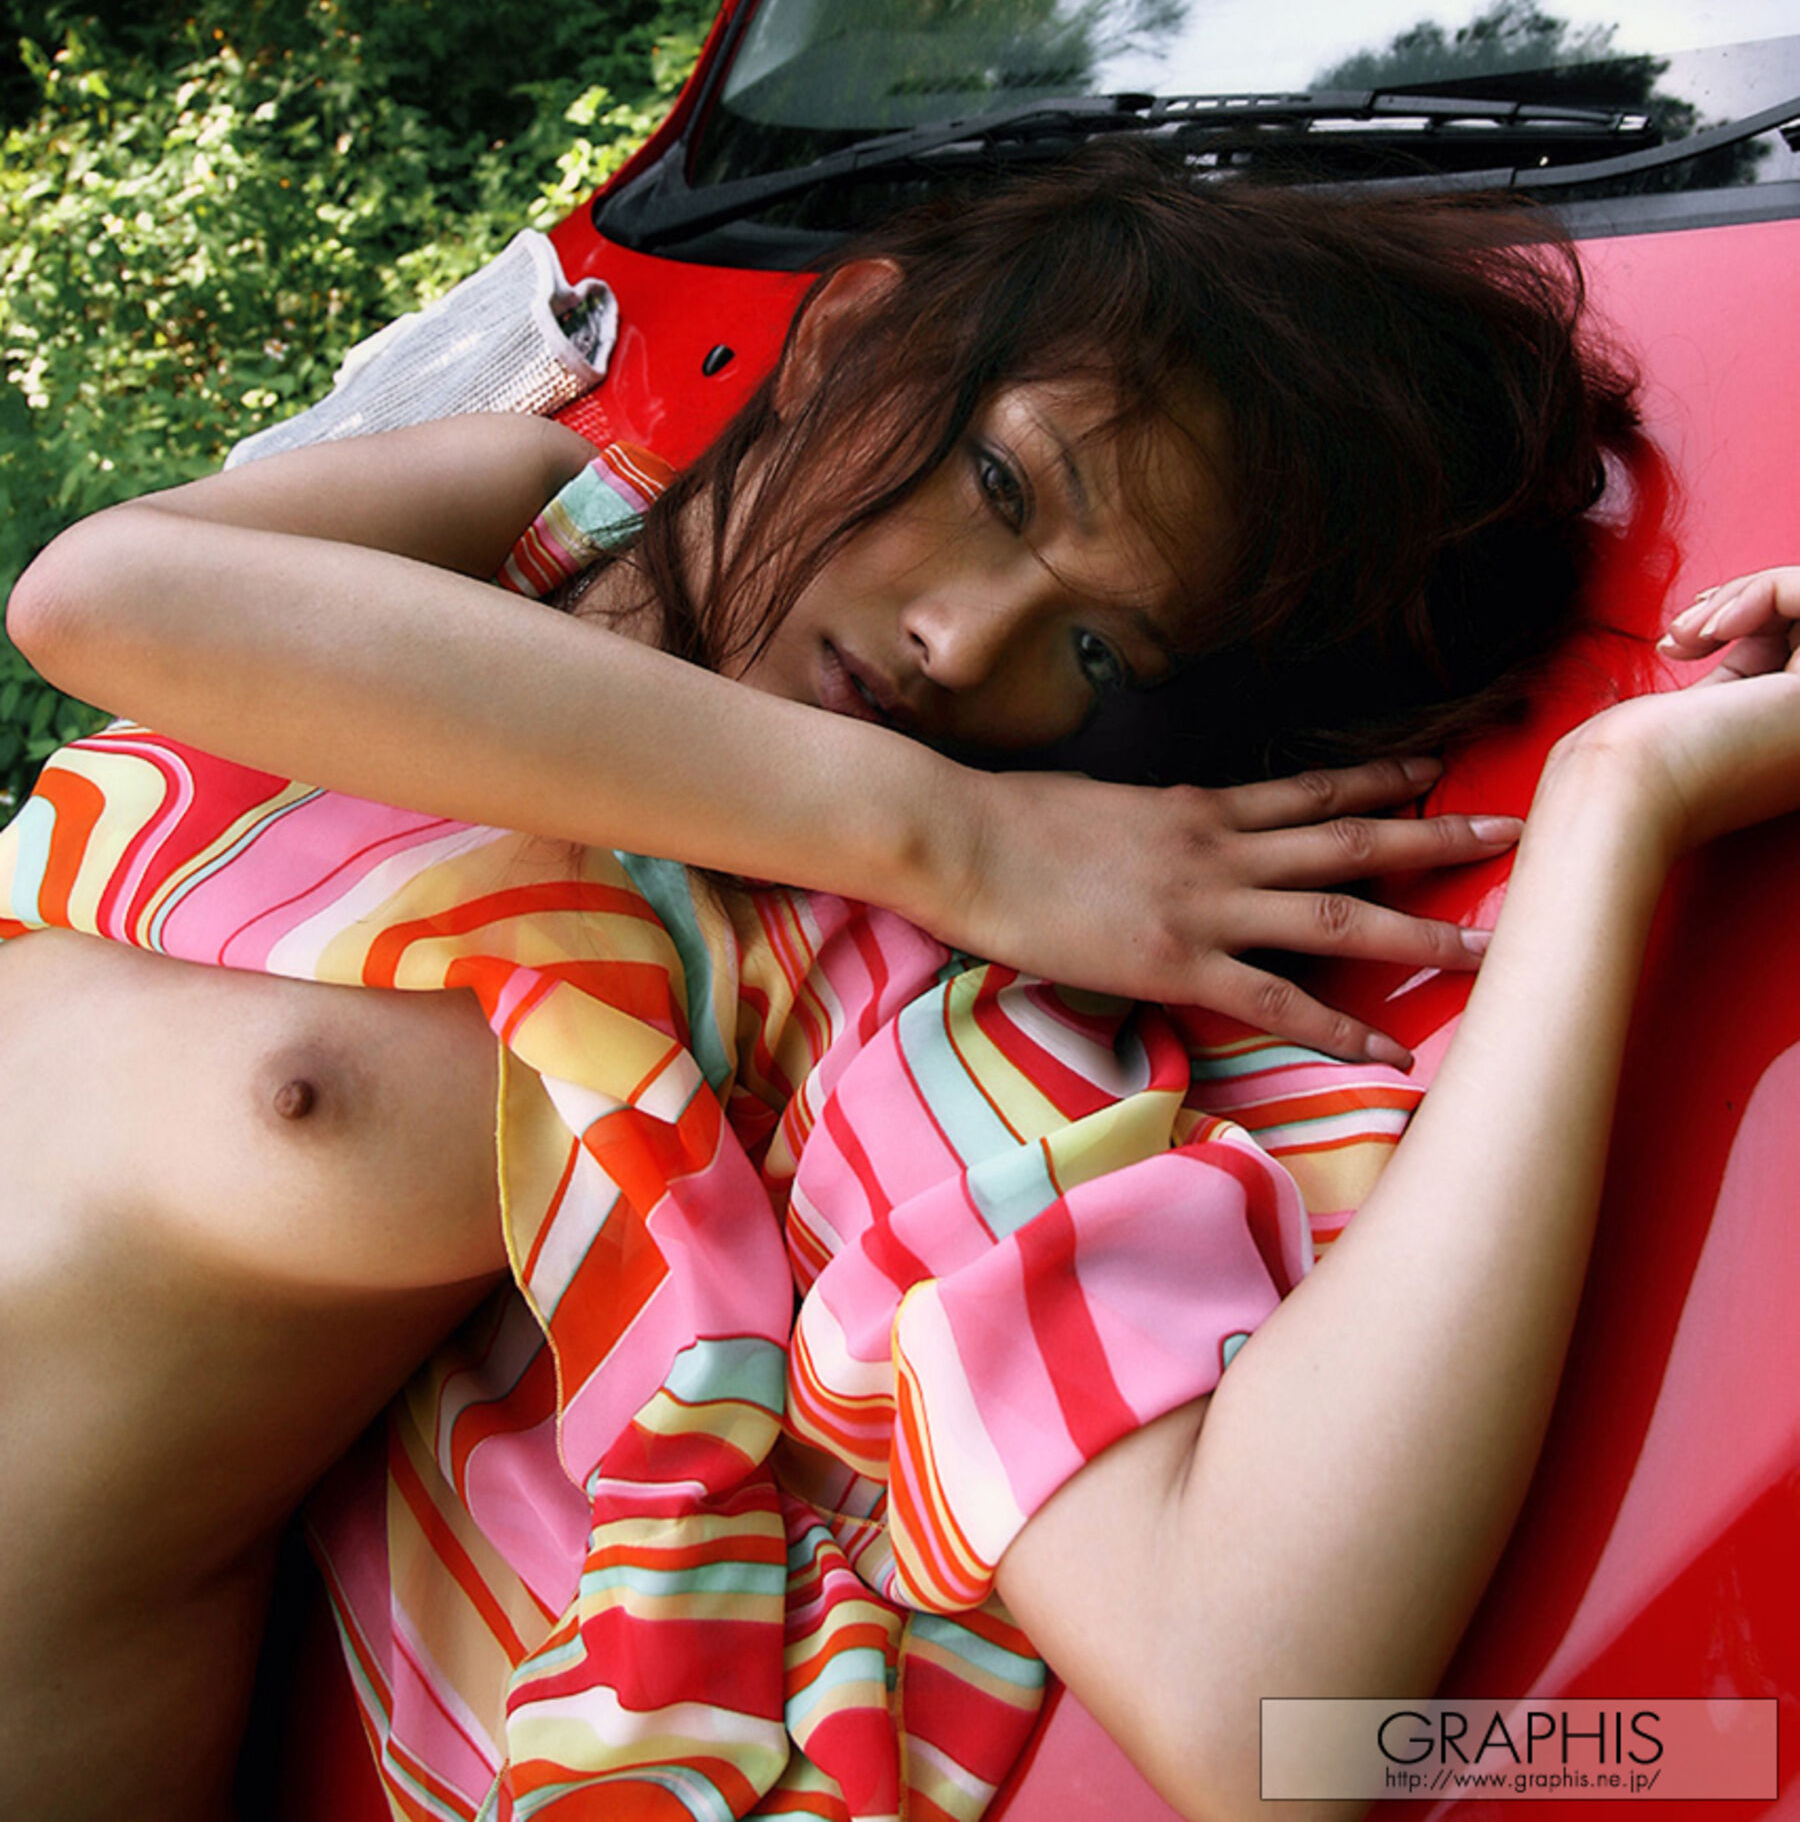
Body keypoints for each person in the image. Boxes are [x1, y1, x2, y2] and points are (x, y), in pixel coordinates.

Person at [0, 149, 1687, 1822]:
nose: (965, 642)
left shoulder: (857, 968)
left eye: (1098, 653)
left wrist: (1622, 807)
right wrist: (947, 825)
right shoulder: (528, 517)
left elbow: (1253, 1708)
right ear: (850, 333)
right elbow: (94, 597)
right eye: (1005, 485)